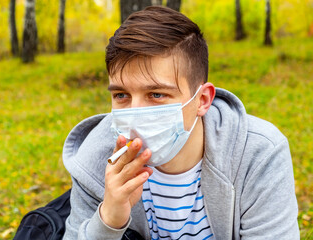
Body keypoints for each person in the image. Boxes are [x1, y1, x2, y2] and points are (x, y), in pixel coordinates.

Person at [62, 6, 299, 240]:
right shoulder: (96, 158)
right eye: (121, 95)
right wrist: (108, 222)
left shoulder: (258, 154)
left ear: (202, 100)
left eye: (156, 94)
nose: (135, 114)